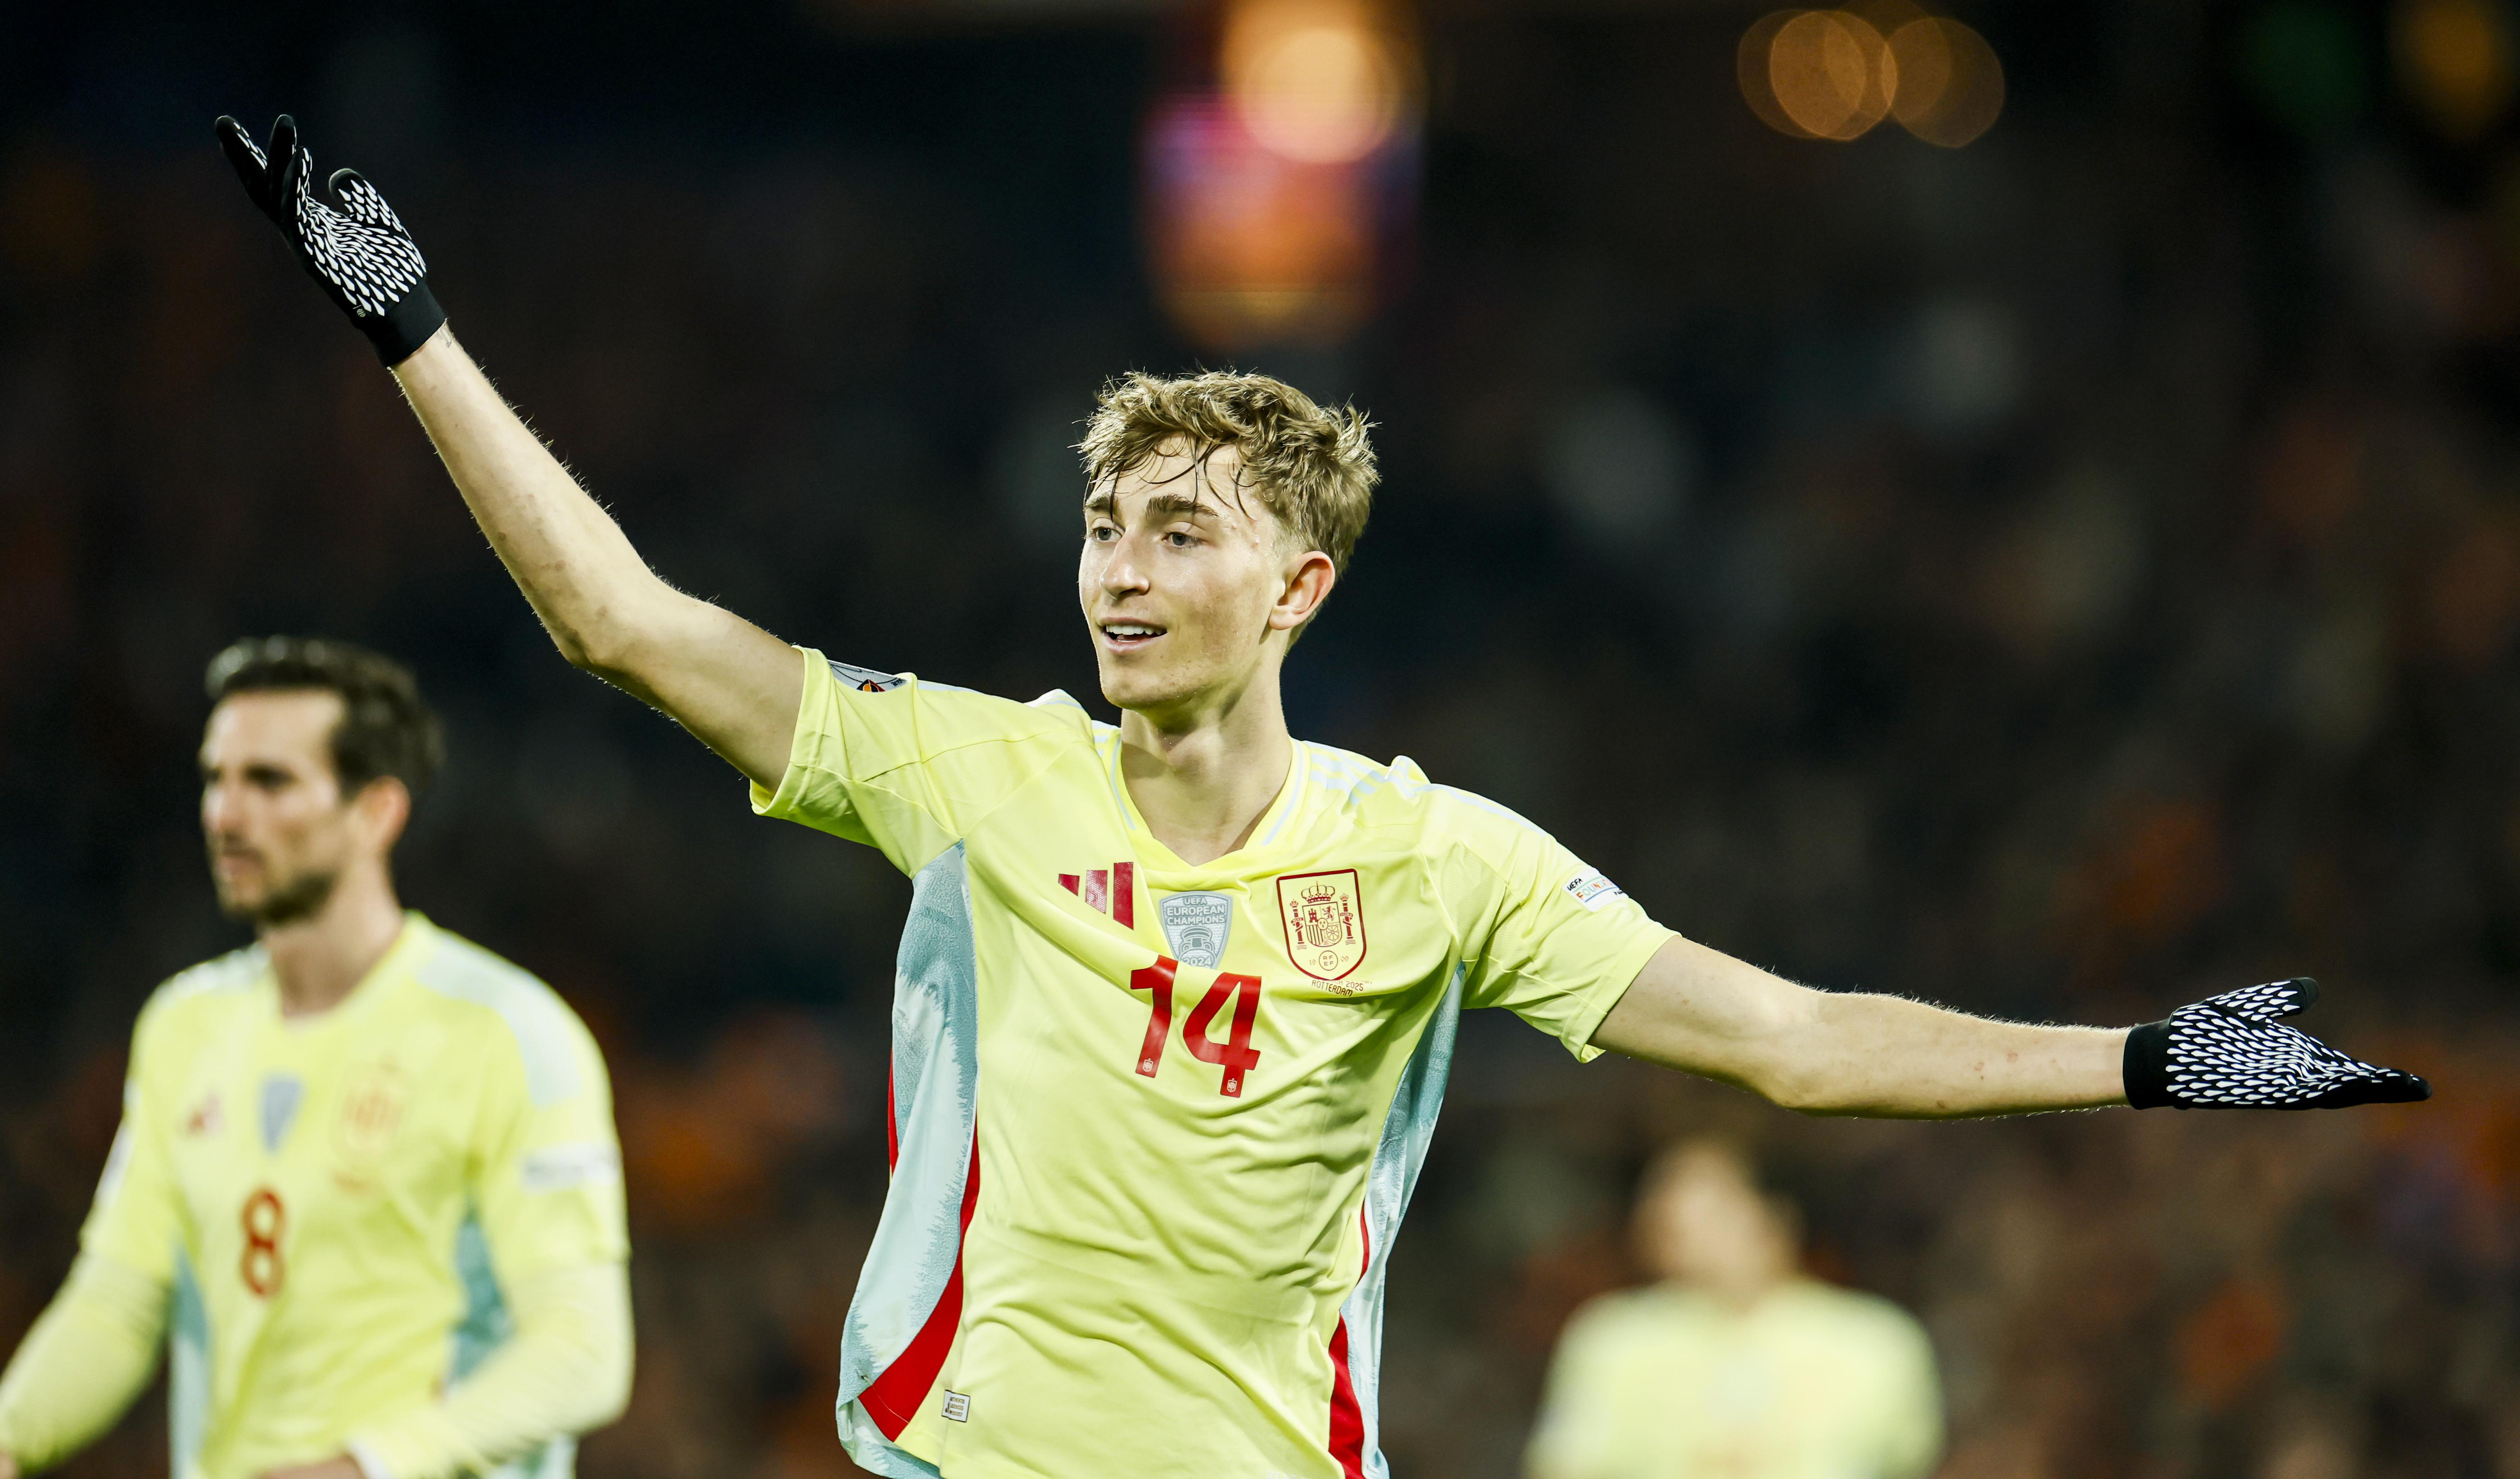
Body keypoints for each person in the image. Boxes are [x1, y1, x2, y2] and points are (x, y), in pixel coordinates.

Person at [208, 114, 2428, 1479]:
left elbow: (1787, 1039)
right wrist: (412, 331)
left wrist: (2144, 1062)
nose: (1122, 569)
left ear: (1300, 581)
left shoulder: (1435, 857)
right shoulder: (970, 773)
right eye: (1107, 526)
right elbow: (624, 624)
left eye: (1181, 531)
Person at [0, 638, 632, 1479]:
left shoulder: (509, 1035)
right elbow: (119, 1303)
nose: (226, 815)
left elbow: (583, 1350)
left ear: (377, 811)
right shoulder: (185, 1024)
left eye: (269, 782)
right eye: (215, 778)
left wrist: (367, 1466)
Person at [1526, 1140, 1942, 1479]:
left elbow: (1904, 1460)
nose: (1691, 1237)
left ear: (1775, 1216)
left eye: (1712, 1213)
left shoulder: (1874, 1340)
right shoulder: (1614, 1337)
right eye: (1669, 1221)